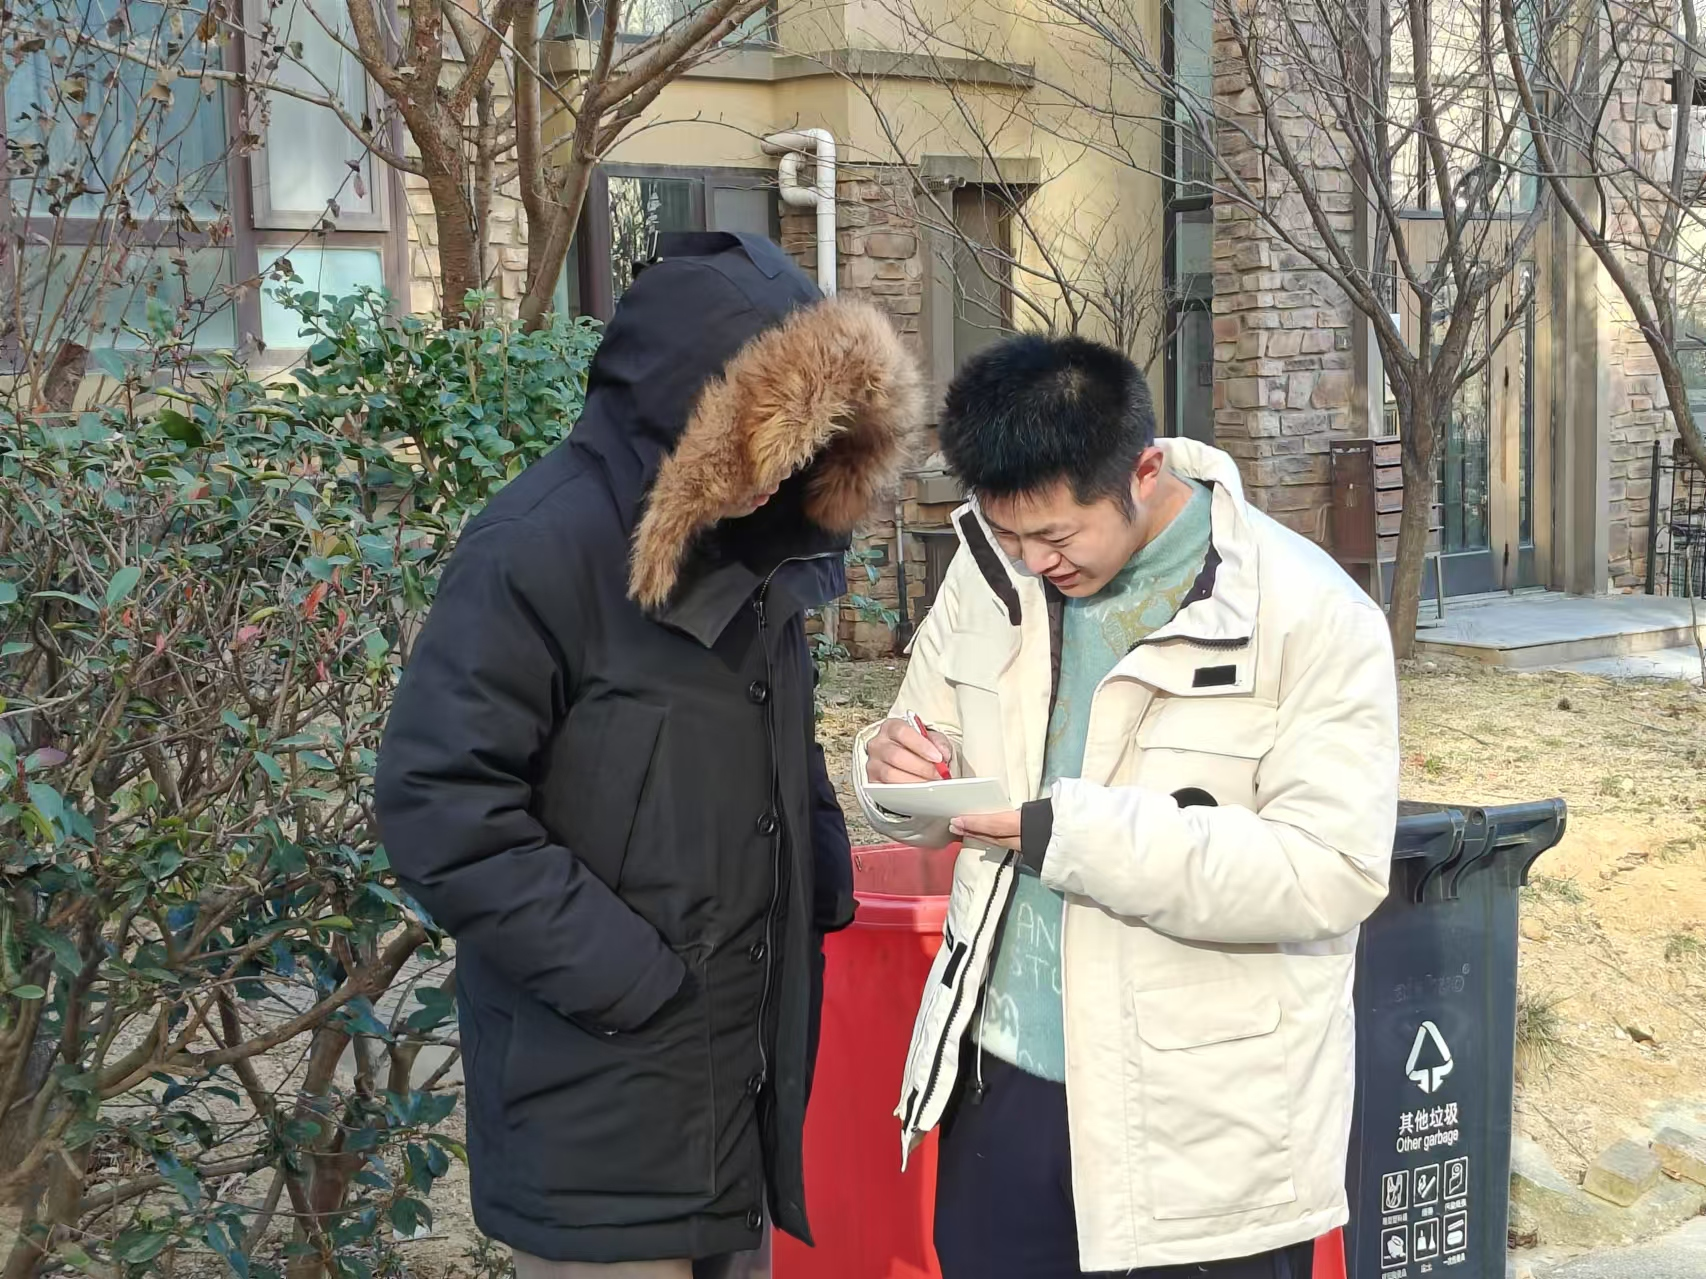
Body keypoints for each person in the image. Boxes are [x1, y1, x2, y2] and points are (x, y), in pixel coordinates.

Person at [377, 232, 917, 1278]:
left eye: (802, 444)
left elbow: (767, 745)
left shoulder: (761, 545)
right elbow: (440, 805)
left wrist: (817, 874)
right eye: (753, 444)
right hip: (598, 1098)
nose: (777, 474)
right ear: (680, 416)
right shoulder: (536, 547)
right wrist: (631, 981)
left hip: (737, 1094)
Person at [854, 334, 1399, 1279]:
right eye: (1009, 535)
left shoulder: (1305, 611)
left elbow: (1332, 869)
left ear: (1143, 472)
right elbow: (923, 751)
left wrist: (1073, 837)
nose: (1034, 561)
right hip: (1003, 1083)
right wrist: (892, 772)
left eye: (1057, 537)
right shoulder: (989, 574)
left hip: (1200, 1128)